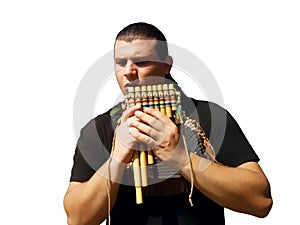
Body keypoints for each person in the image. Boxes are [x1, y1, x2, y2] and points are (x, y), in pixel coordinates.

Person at [63, 22, 272, 225]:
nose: (128, 71)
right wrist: (117, 157)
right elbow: (77, 219)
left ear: (167, 65)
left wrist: (180, 157)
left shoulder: (209, 116)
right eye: (121, 63)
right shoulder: (98, 129)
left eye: (142, 62)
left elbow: (260, 202)